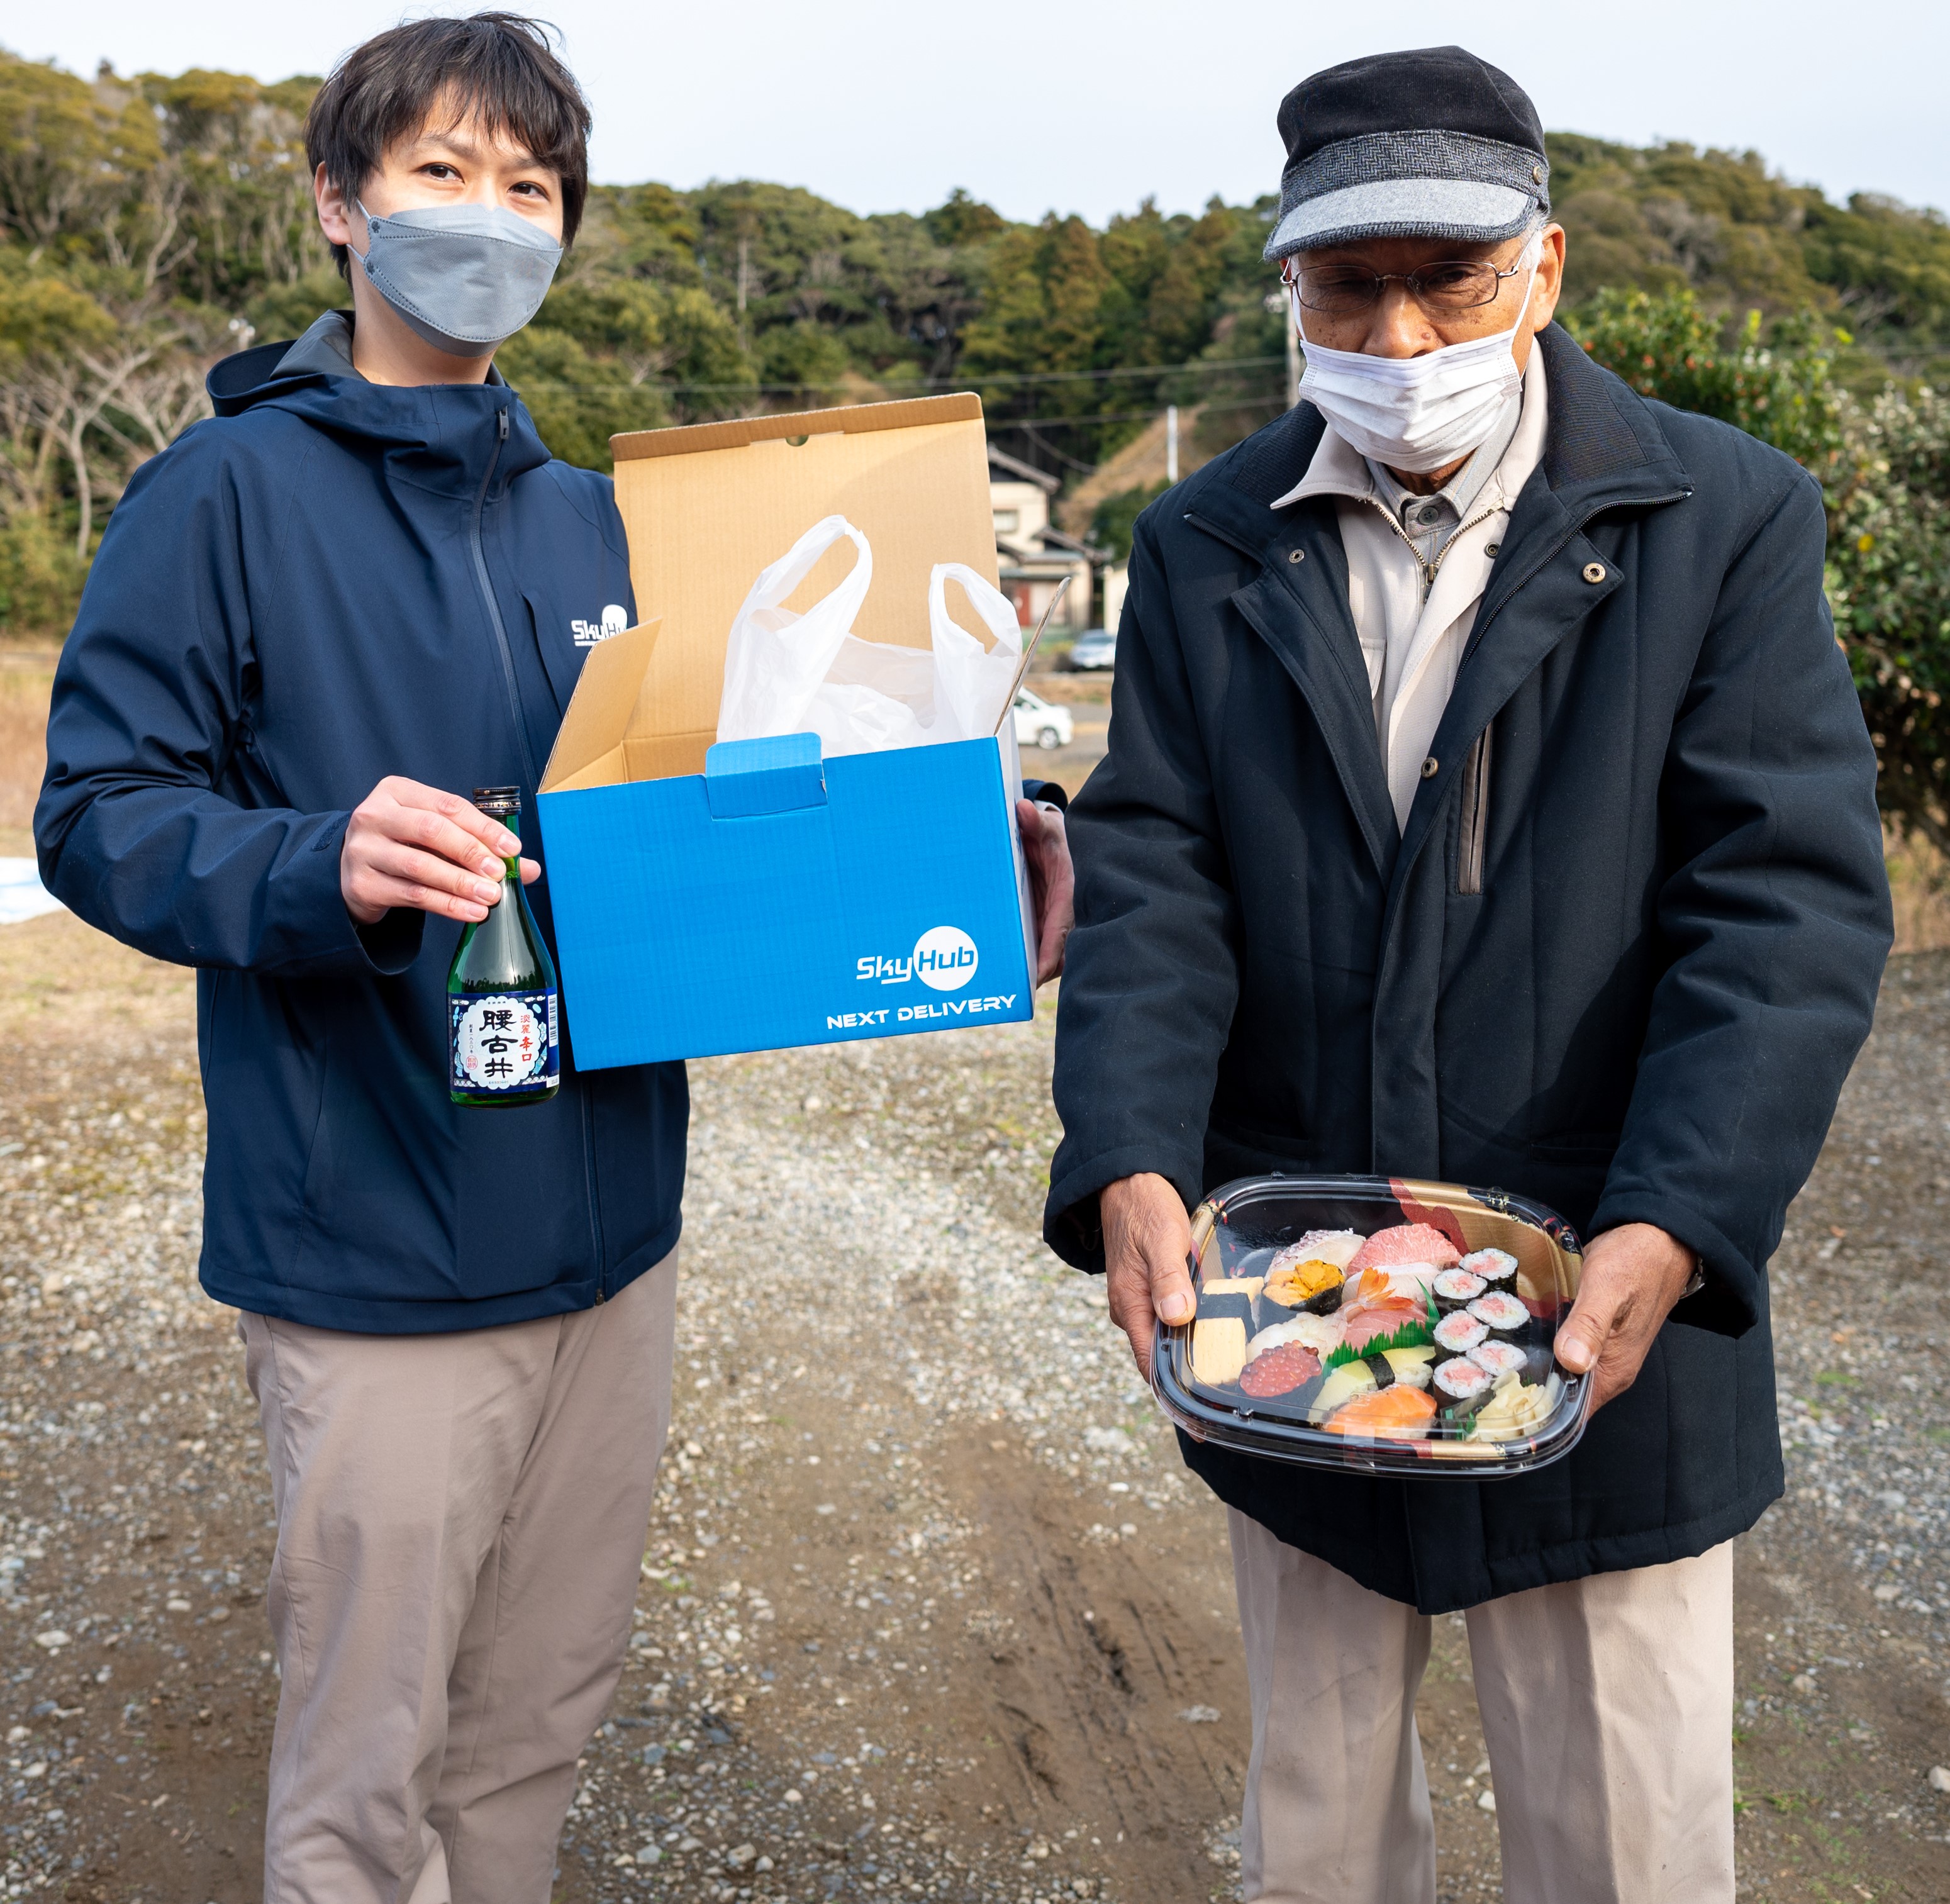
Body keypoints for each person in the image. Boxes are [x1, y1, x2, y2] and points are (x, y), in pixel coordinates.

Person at [35, 15, 1071, 1901]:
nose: (488, 214)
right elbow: (96, 811)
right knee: (367, 1763)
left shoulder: (605, 520)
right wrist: (312, 863)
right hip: (372, 1247)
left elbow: (717, 827)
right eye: (441, 171)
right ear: (342, 207)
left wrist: (953, 853)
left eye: (530, 186)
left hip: (609, 1240)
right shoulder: (226, 497)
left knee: (534, 1724)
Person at [1042, 44, 1890, 1904]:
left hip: (1604, 1294)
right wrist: (1126, 1148)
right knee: (1321, 1826)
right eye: (1349, 284)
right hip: (1311, 1292)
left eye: (1453, 275)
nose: (1402, 328)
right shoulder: (1203, 541)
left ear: (1548, 269)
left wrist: (1677, 1212)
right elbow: (1155, 870)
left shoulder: (1715, 518)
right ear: (1289, 289)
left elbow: (1785, 905)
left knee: (1624, 1840)